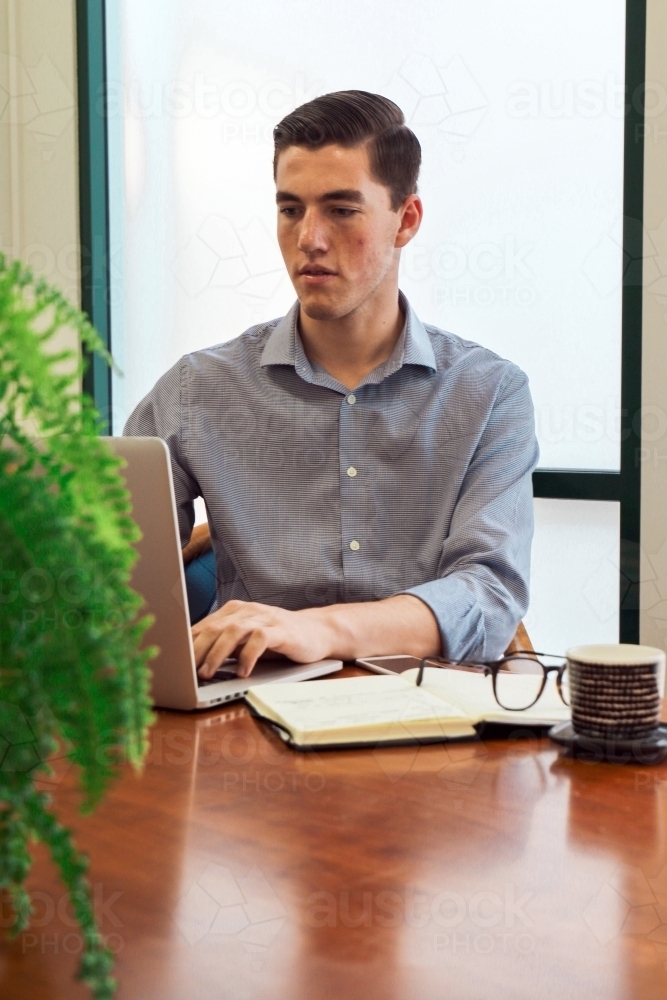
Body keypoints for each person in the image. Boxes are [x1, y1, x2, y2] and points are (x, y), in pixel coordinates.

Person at [124, 90, 539, 680]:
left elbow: (488, 596)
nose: (309, 239)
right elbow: (106, 574)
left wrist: (317, 629)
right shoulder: (197, 390)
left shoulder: (489, 392)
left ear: (407, 219)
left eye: (342, 210)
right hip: (244, 722)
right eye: (291, 209)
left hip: (432, 719)